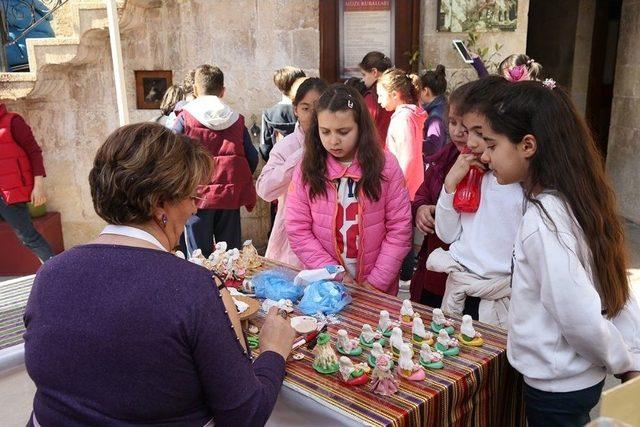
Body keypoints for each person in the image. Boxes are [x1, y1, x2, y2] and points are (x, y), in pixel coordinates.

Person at [23, 123, 296, 426]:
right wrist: (273, 351)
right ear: (159, 204)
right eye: (193, 197)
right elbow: (244, 414)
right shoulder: (192, 288)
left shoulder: (50, 273)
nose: (196, 210)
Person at [475, 79, 640, 427]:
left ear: (528, 146)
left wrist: (625, 362)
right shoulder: (572, 201)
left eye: (492, 144)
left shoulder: (544, 220)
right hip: (571, 377)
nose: (484, 155)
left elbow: (578, 312)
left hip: (557, 384)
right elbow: (610, 289)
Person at [285, 84, 412, 295]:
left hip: (378, 285)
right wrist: (335, 275)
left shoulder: (386, 165)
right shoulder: (307, 169)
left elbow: (399, 228)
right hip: (326, 284)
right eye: (325, 132)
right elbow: (298, 229)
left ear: (361, 127)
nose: (333, 141)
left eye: (343, 132)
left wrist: (376, 283)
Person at [431, 76, 523, 326]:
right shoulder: (470, 172)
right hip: (462, 285)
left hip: (499, 298)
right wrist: (450, 185)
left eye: (479, 134)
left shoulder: (519, 185)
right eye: (465, 130)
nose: (469, 142)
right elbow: (447, 234)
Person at [173, 64, 258, 255]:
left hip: (196, 196)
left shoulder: (186, 118)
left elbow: (168, 153)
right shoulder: (236, 119)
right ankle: (229, 285)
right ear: (223, 91)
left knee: (197, 256)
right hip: (229, 196)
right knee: (230, 255)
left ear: (195, 90)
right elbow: (251, 156)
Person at [256, 77, 328, 268]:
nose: (312, 115)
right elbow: (265, 189)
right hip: (291, 247)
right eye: (305, 108)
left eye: (318, 107)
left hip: (330, 245)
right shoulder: (287, 147)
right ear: (295, 110)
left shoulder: (339, 147)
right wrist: (303, 153)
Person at [409, 84, 469, 307]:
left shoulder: (491, 168)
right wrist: (422, 209)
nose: (458, 132)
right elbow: (423, 193)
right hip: (434, 263)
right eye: (453, 122)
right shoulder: (446, 155)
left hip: (465, 275)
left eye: (467, 126)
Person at [0, 103, 54, 262]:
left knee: (28, 237)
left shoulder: (13, 122)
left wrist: (38, 186)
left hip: (9, 193)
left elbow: (34, 152)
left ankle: (55, 273)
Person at [376, 68, 426, 201]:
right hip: (409, 187)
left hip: (404, 191)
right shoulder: (408, 115)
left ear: (394, 95)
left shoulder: (403, 118)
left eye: (381, 96)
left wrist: (396, 187)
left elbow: (407, 157)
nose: (379, 101)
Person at [259, 66, 307, 162]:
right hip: (306, 164)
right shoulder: (307, 110)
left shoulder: (269, 114)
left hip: (279, 164)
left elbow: (265, 148)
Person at [358, 51, 394, 144]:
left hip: (377, 150)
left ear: (374, 72)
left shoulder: (372, 97)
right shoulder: (397, 92)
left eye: (364, 74)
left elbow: (364, 128)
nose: (363, 79)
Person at [419, 65, 448, 156]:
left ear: (425, 90)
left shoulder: (435, 116)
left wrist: (413, 142)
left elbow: (433, 146)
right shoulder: (444, 106)